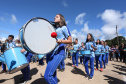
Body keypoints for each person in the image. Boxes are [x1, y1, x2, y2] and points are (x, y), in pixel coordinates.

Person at [44, 14, 72, 84]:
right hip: (49, 52)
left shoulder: (64, 28)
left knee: (47, 76)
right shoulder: (53, 28)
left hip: (58, 52)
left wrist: (61, 41)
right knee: (52, 73)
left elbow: (70, 41)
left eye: (57, 17)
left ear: (61, 19)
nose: (54, 17)